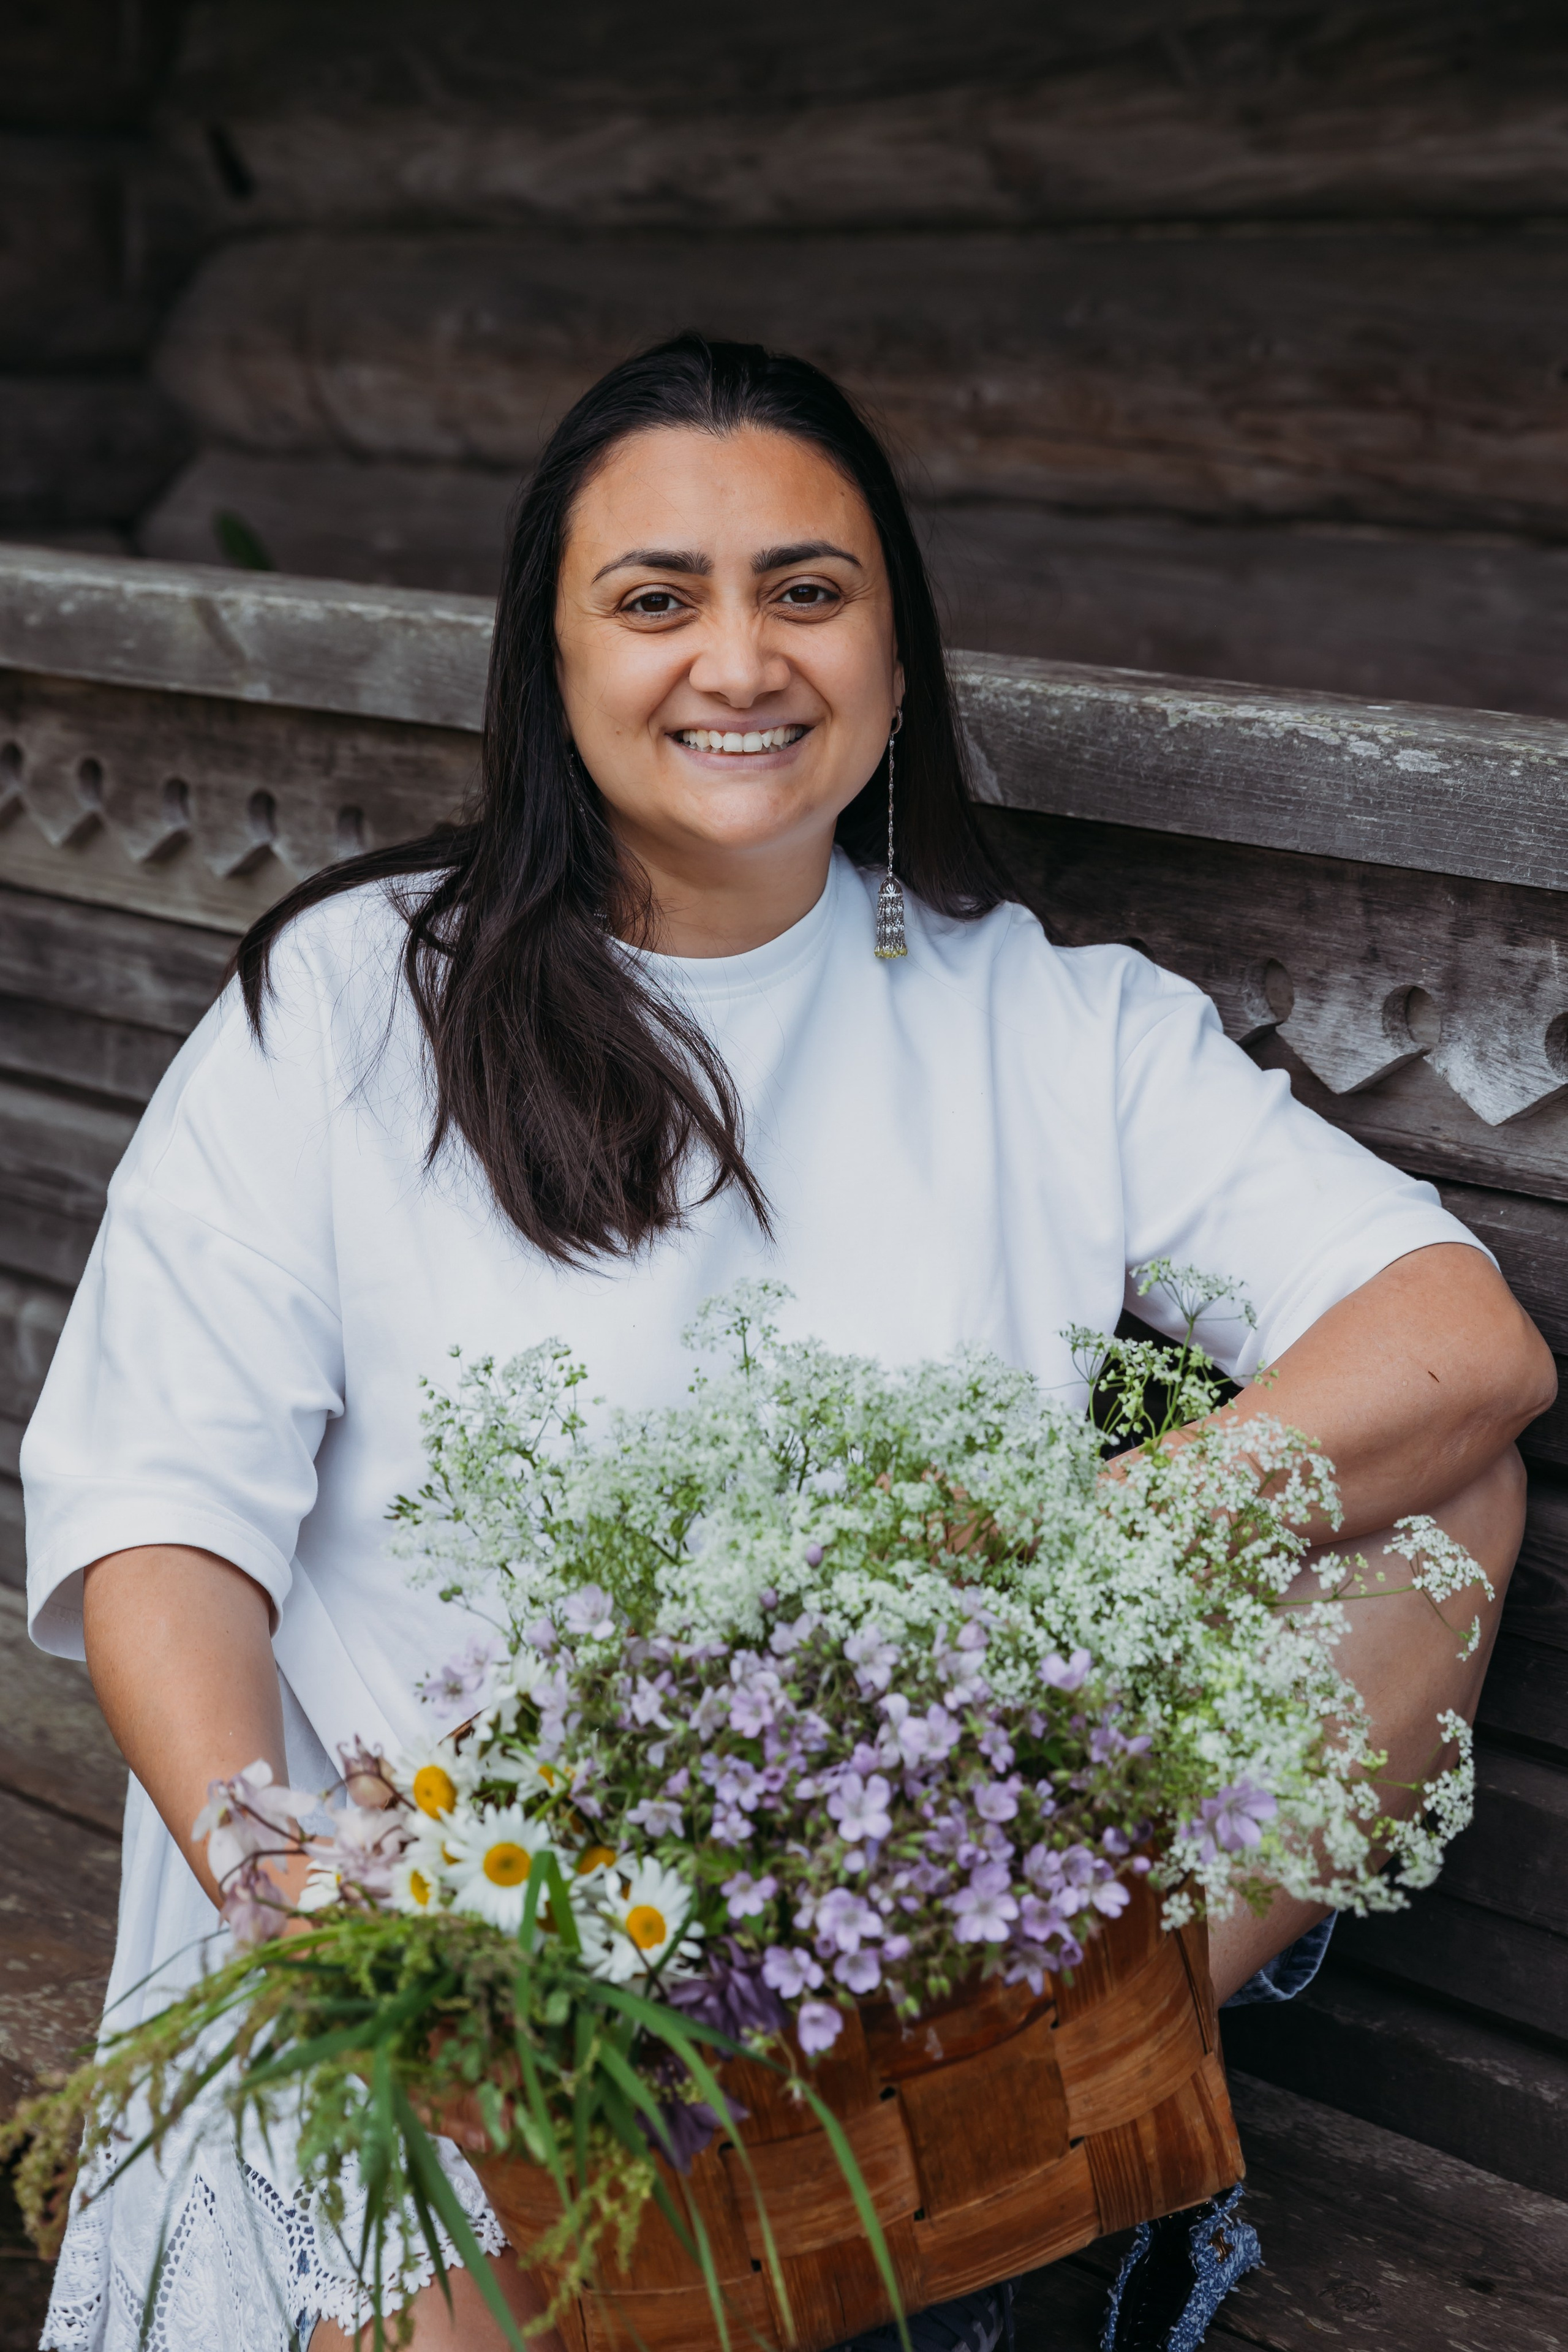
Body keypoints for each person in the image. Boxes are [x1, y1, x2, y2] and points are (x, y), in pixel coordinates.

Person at [22, 335, 1551, 2352]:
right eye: (657, 599)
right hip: (465, 1932)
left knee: (1437, 1512)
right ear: (553, 665)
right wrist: (285, 1874)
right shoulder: (354, 1000)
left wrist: (1050, 1559)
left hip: (875, 1932)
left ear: (896, 661)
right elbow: (161, 1507)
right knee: (501, 2256)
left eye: (806, 592)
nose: (739, 661)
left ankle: (976, 2101)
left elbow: (1462, 1340)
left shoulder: (1041, 1020)